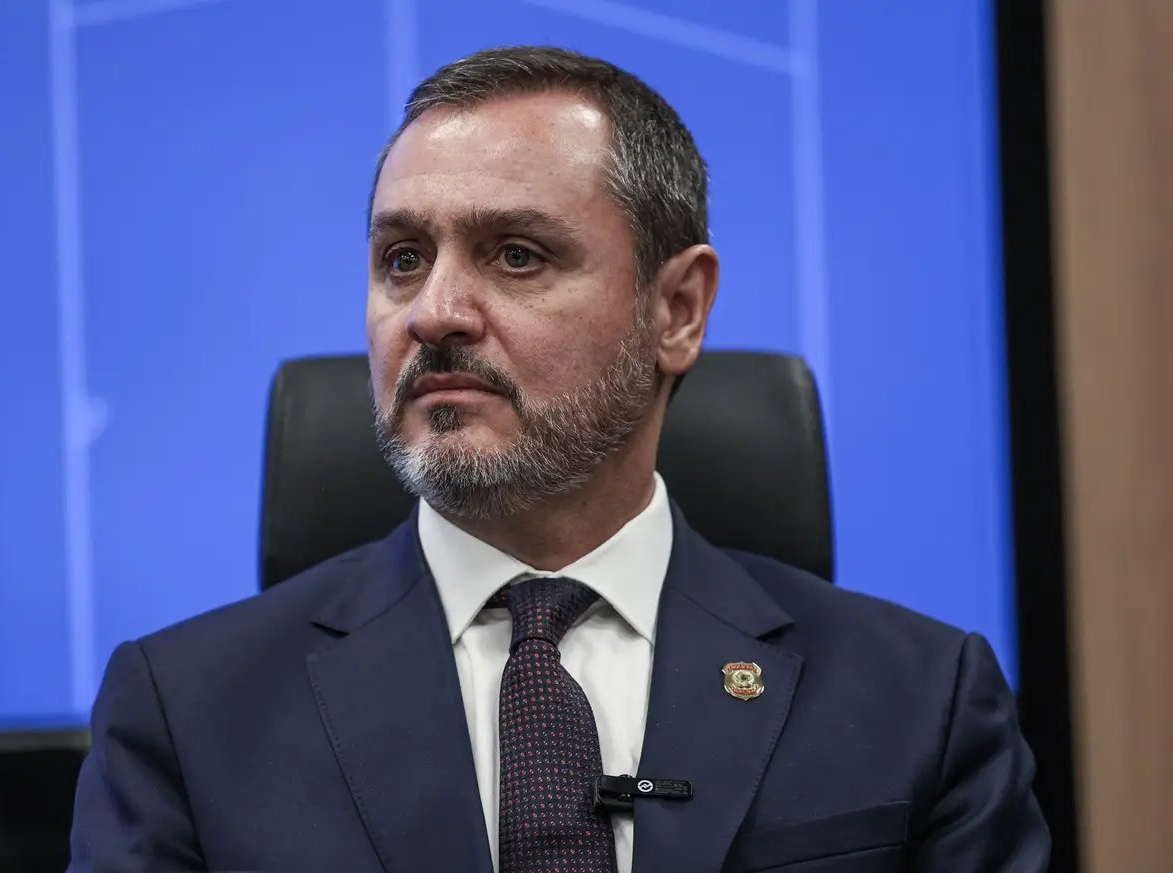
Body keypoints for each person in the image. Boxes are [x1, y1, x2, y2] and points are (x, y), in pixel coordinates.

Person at [68, 46, 1049, 872]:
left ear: (677, 310)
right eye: (402, 259)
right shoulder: (185, 715)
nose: (434, 313)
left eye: (516, 255)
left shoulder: (919, 700)